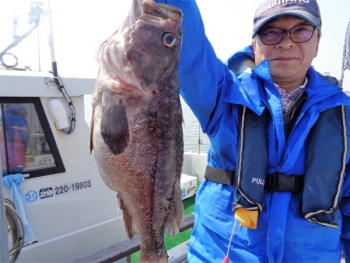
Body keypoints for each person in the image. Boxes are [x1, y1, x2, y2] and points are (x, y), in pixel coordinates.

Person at [153, 0, 350, 262]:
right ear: (254, 44)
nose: (286, 42)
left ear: (317, 43)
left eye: (301, 30)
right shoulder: (222, 95)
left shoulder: (344, 114)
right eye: (271, 32)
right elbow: (189, 50)